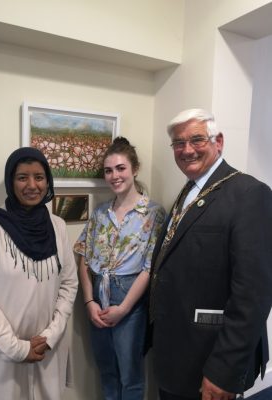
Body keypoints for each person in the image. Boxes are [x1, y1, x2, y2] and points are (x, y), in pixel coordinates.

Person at [149, 109, 272, 400]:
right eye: (179, 143)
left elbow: (253, 295)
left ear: (219, 142)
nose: (187, 150)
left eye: (197, 140)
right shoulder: (188, 192)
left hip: (211, 361)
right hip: (177, 355)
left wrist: (224, 370)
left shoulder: (248, 194)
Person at [0, 147, 78, 400]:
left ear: (48, 181)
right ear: (11, 181)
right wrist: (17, 348)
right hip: (1, 354)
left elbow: (69, 284)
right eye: (22, 177)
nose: (32, 185)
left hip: (47, 350)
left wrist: (50, 335)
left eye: (39, 177)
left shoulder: (57, 226)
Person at [74, 137, 166, 400]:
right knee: (107, 371)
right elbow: (84, 258)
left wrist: (124, 308)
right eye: (108, 170)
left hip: (130, 300)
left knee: (130, 376)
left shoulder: (153, 213)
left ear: (134, 168)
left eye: (121, 168)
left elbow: (149, 268)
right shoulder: (101, 213)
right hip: (98, 296)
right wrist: (89, 301)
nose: (114, 176)